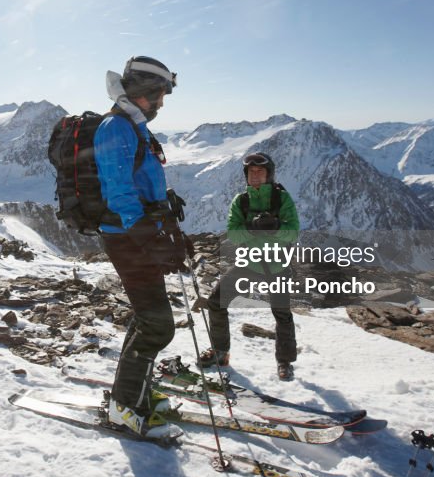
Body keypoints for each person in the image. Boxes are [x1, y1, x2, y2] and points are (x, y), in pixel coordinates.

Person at [94, 56, 187, 438]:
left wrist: (165, 202)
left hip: (137, 234)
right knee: (158, 326)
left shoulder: (134, 126)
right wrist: (152, 238)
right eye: (159, 94)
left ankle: (135, 392)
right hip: (127, 238)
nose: (163, 102)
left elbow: (139, 178)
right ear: (142, 92)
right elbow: (119, 194)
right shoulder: (115, 127)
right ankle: (125, 407)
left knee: (149, 318)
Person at [198, 152, 301, 380]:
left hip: (276, 265)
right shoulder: (241, 200)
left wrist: (269, 230)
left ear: (269, 174)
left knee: (282, 313)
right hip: (249, 264)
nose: (255, 175)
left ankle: (284, 362)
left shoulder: (282, 198)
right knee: (216, 301)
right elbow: (233, 234)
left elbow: (292, 232)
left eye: (260, 171)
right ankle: (220, 352)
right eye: (251, 172)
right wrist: (257, 228)